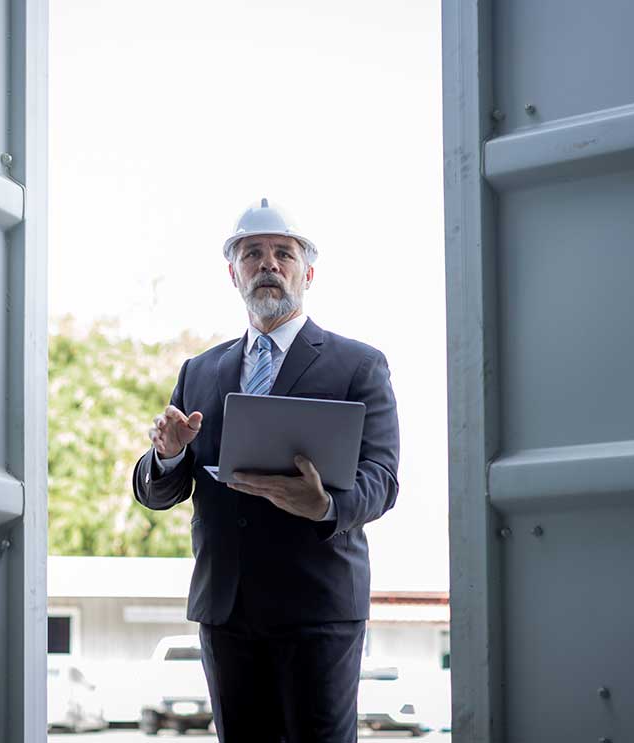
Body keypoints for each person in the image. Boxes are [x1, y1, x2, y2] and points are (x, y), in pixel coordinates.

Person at [132, 198, 400, 743]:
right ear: (234, 274)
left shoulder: (357, 364)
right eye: (252, 253)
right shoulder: (200, 370)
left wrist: (325, 505)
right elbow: (160, 492)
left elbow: (382, 477)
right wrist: (169, 454)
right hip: (227, 609)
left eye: (284, 253)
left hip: (318, 606)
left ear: (309, 272)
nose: (268, 264)